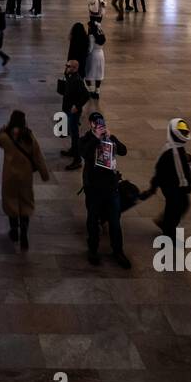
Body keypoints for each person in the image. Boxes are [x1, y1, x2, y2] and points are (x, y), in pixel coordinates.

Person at [79, 112, 131, 268]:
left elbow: (123, 150)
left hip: (111, 187)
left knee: (115, 221)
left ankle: (118, 251)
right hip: (94, 188)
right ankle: (93, 249)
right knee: (93, 220)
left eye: (100, 123)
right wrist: (95, 138)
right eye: (95, 123)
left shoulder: (108, 138)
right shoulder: (86, 140)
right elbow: (85, 153)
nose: (98, 126)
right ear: (90, 124)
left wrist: (112, 137)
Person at [0, 110, 49, 249]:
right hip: (25, 176)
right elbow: (38, 156)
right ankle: (24, 232)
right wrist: (44, 173)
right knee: (25, 203)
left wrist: (4, 129)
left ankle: (14, 230)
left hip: (10, 176)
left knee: (11, 202)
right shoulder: (29, 136)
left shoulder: (6, 137)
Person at [142, 118, 191, 239]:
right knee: (176, 207)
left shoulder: (177, 148)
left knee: (176, 207)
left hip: (176, 186)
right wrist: (153, 187)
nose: (184, 134)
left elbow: (180, 164)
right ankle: (168, 233)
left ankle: (165, 224)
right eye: (182, 132)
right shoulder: (170, 151)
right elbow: (159, 170)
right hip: (172, 187)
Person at [59, 59, 91, 168]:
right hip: (68, 108)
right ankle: (73, 150)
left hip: (73, 111)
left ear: (75, 68)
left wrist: (77, 106)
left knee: (75, 133)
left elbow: (86, 95)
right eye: (66, 65)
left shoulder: (77, 79)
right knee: (72, 132)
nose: (67, 68)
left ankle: (77, 159)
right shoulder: (70, 76)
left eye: (69, 66)